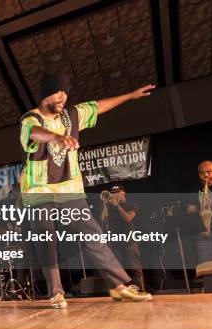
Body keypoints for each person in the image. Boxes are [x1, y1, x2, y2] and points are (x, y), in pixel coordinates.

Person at [20, 72, 154, 308]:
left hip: (70, 189)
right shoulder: (31, 119)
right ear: (44, 94)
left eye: (65, 92)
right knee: (46, 239)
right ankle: (56, 292)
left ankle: (119, 287)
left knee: (93, 235)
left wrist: (131, 95)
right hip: (39, 190)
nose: (62, 96)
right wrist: (56, 137)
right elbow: (33, 134)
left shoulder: (71, 114)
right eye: (56, 92)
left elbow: (99, 106)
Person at [103, 184, 146, 291]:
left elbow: (128, 218)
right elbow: (102, 219)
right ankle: (124, 292)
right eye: (113, 193)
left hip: (130, 241)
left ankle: (141, 291)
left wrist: (117, 206)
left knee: (134, 267)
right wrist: (105, 204)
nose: (115, 195)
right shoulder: (109, 206)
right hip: (116, 242)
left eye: (117, 192)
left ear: (123, 193)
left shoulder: (131, 204)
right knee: (118, 269)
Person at [188, 161, 212, 264]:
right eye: (202, 173)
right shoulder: (194, 191)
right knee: (207, 267)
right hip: (203, 235)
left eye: (209, 172)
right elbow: (190, 212)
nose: (205, 175)